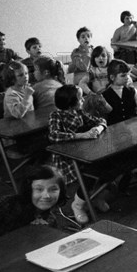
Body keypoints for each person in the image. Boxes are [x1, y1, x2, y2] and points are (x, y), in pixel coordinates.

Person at [48, 85, 107, 224]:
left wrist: (97, 129)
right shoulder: (56, 115)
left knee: (105, 164)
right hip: (67, 157)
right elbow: (53, 136)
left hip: (84, 151)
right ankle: (78, 205)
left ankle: (93, 196)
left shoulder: (79, 112)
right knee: (90, 174)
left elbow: (101, 121)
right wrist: (81, 135)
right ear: (70, 103)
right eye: (80, 98)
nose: (83, 100)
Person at [0, 165, 71, 239]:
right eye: (39, 189)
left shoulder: (50, 220)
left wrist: (40, 232)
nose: (47, 195)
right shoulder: (7, 204)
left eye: (53, 189)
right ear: (29, 190)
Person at [102, 59, 137, 125]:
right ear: (112, 77)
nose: (127, 78)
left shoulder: (131, 90)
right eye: (123, 75)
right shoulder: (105, 95)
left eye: (128, 75)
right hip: (116, 127)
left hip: (133, 124)